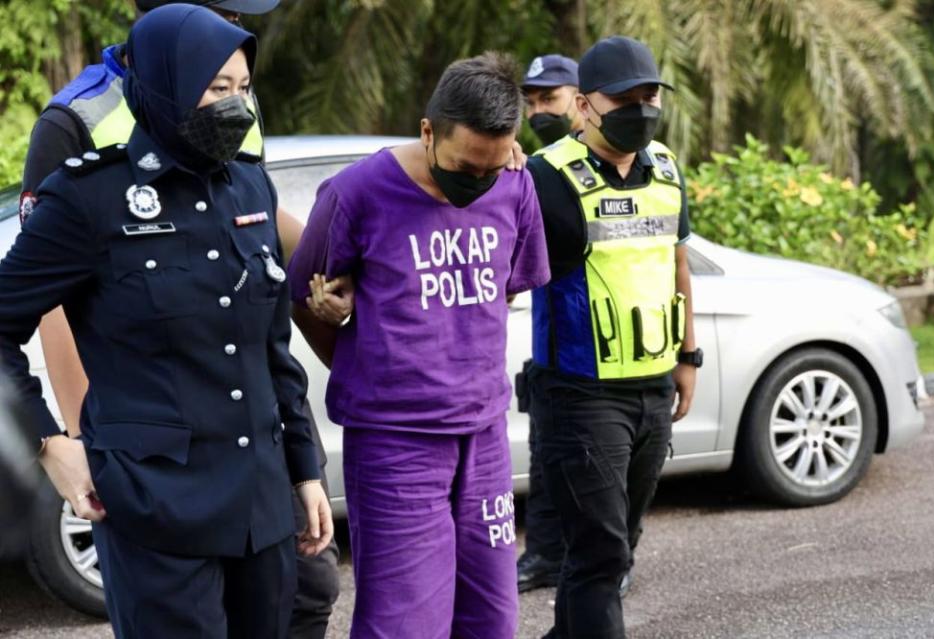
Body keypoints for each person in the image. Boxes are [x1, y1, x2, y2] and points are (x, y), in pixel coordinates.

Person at [0, 6, 333, 638]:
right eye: (216, 90)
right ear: (164, 86)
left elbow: (273, 349)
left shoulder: (251, 189)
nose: (236, 106)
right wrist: (50, 445)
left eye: (243, 89)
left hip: (260, 508)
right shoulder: (88, 198)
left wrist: (304, 469)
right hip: (155, 506)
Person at [287, 52, 550, 639]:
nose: (478, 181)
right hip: (395, 444)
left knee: (493, 617)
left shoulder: (515, 183)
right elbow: (308, 301)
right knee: (404, 623)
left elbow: (498, 293)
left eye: (492, 166)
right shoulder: (356, 193)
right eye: (464, 167)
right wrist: (366, 359)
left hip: (483, 436)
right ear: (428, 132)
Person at [526, 36, 703, 638]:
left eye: (649, 94)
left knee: (610, 549)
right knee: (601, 557)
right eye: (622, 98)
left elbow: (676, 264)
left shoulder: (666, 168)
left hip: (653, 387)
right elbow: (505, 273)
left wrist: (689, 357)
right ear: (583, 107)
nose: (640, 107)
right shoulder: (545, 178)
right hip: (581, 394)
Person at [515, 52, 584, 595]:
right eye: (532, 101)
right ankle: (542, 557)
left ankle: (607, 562)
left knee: (597, 468)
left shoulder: (601, 166)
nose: (539, 110)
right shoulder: (532, 167)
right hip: (549, 344)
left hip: (602, 349)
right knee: (546, 457)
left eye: (550, 98)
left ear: (580, 100)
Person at [522, 54, 583, 147]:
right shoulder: (533, 160)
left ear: (580, 99)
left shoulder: (609, 155)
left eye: (548, 99)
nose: (537, 111)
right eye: (530, 103)